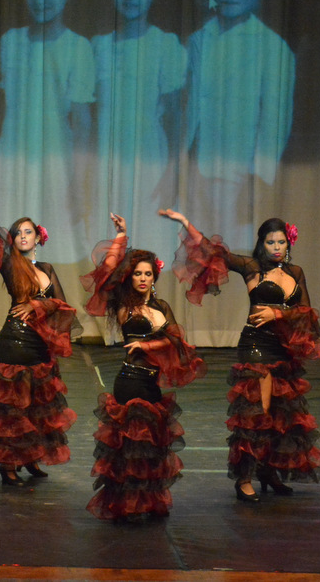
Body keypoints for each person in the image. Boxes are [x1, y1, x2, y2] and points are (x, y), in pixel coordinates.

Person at [159, 209, 320, 502]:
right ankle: (244, 477)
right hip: (256, 345)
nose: (276, 247)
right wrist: (186, 223)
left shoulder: (295, 272)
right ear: (262, 244)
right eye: (270, 242)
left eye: (281, 242)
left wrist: (277, 313)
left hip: (282, 348)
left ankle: (268, 472)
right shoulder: (251, 267)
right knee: (255, 412)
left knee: (279, 413)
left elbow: (306, 313)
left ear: (288, 243)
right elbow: (214, 252)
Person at [80, 213, 206, 520]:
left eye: (147, 273)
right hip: (130, 381)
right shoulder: (125, 304)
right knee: (129, 448)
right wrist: (121, 236)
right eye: (137, 273)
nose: (142, 278)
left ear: (154, 277)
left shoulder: (162, 307)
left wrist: (148, 346)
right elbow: (107, 273)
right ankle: (125, 504)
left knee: (149, 448)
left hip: (152, 385)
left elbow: (177, 342)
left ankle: (147, 502)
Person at [0, 208, 78, 486]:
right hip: (16, 340)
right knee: (14, 409)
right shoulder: (10, 263)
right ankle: (8, 466)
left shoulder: (47, 269)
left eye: (28, 232)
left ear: (38, 237)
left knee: (38, 405)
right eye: (18, 233)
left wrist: (36, 305)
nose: (23, 236)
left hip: (40, 344)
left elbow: (61, 303)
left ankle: (30, 457)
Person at [184, 0, 295, 235]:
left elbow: (274, 122)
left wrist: (257, 179)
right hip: (195, 171)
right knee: (193, 249)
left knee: (233, 248)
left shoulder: (272, 47)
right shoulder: (198, 39)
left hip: (239, 177)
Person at [0, 0, 94, 261]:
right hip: (13, 153)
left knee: (55, 243)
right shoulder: (10, 41)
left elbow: (82, 122)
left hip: (55, 157)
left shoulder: (78, 46)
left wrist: (77, 181)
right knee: (9, 245)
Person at [91, 0, 186, 251]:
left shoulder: (166, 44)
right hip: (105, 154)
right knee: (107, 242)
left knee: (148, 242)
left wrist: (171, 173)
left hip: (149, 153)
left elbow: (175, 116)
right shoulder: (98, 45)